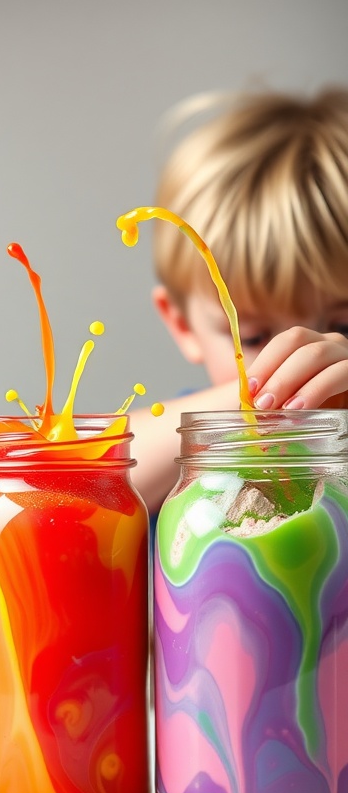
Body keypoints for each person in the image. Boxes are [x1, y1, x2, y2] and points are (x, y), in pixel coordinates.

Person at [129, 86, 348, 515]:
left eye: (342, 327)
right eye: (252, 336)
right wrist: (249, 400)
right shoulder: (189, 442)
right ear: (182, 326)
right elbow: (82, 473)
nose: (299, 356)